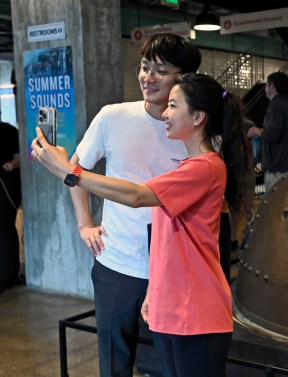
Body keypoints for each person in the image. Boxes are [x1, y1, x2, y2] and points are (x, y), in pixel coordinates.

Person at [32, 73, 250, 377]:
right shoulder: (190, 167)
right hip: (175, 307)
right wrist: (156, 292)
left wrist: (70, 172)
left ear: (198, 116)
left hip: (196, 311)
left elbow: (135, 195)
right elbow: (169, 242)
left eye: (174, 106)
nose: (165, 113)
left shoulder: (205, 169)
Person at [66, 33, 201, 377]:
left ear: (183, 78)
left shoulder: (195, 130)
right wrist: (85, 224)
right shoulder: (112, 117)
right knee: (114, 361)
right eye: (144, 67)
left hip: (173, 270)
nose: (148, 77)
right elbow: (76, 170)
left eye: (161, 70)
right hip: (117, 264)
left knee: (172, 365)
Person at [246, 71, 288, 191]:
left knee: (274, 206)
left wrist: (257, 131)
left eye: (266, 85)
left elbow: (273, 134)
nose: (265, 88)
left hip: (278, 169)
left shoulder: (276, 105)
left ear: (272, 86)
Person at [0, 120, 21, 292]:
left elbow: (21, 156)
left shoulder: (8, 131)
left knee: (5, 229)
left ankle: (8, 275)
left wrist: (11, 166)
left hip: (5, 184)